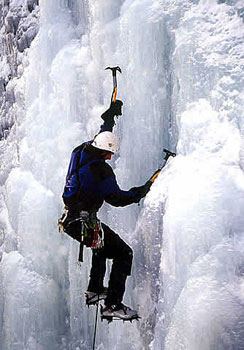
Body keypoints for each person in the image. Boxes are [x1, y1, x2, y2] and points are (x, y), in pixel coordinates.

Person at [60, 100, 152, 320]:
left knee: (100, 245)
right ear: (103, 153)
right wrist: (142, 191)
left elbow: (100, 137)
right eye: (109, 154)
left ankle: (94, 291)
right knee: (123, 253)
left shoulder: (82, 151)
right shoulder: (101, 173)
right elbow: (118, 199)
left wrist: (109, 118)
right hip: (83, 224)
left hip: (70, 221)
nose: (111, 157)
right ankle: (113, 305)